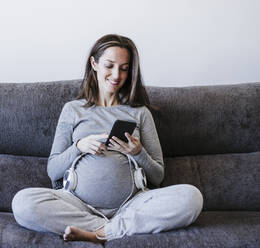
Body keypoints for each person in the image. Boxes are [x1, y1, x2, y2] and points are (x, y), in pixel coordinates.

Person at [12, 34, 203, 244]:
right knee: (23, 202)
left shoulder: (139, 113)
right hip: (77, 204)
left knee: (191, 197)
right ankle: (109, 230)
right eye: (109, 66)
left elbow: (157, 176)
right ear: (94, 63)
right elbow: (53, 171)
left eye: (124, 68)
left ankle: (101, 233)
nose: (116, 75)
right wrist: (79, 146)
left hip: (132, 203)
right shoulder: (73, 110)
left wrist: (138, 153)